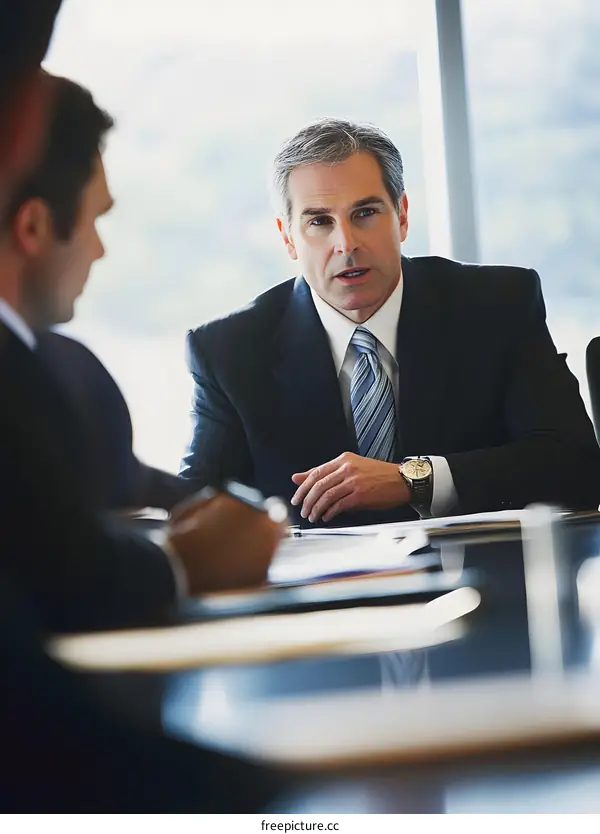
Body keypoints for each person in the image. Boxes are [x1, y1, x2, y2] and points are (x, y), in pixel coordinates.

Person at [0, 5, 288, 811]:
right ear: (31, 224)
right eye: (94, 222)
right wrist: (185, 561)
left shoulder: (54, 371)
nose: (99, 249)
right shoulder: (25, 377)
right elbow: (65, 581)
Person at [181, 117, 600, 528]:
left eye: (365, 213)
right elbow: (193, 506)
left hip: (479, 579)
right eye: (319, 221)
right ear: (288, 236)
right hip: (321, 592)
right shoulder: (229, 350)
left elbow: (574, 462)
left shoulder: (498, 305)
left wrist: (415, 479)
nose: (346, 244)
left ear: (401, 215)